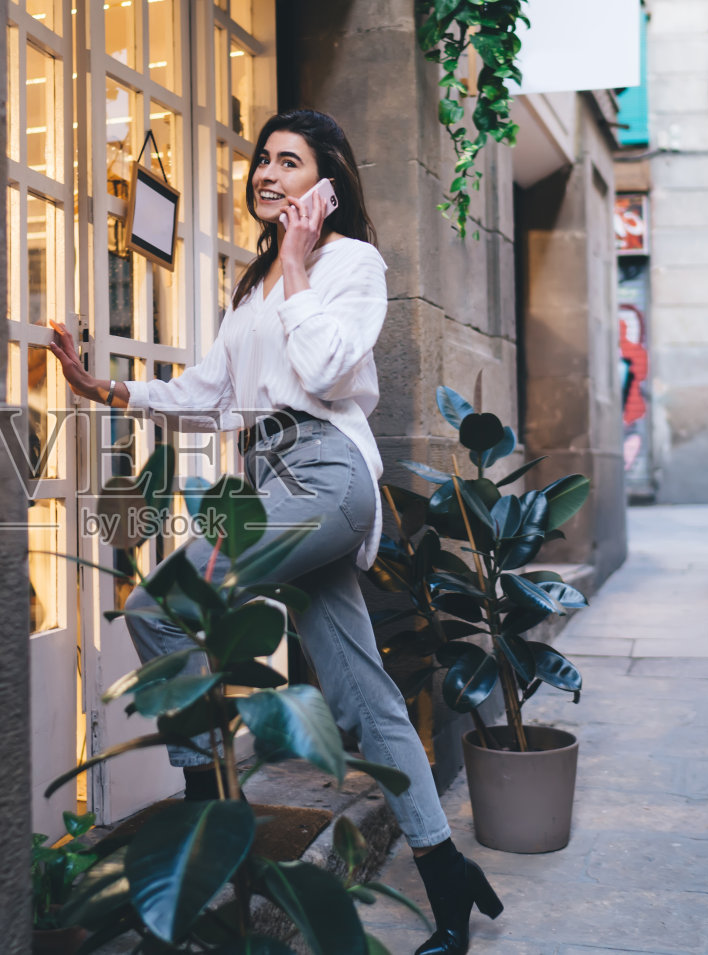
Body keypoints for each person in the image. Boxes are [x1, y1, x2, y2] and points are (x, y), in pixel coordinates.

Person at [47, 109, 501, 955]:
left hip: (326, 472)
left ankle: (205, 838)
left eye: (288, 161)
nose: (266, 171)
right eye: (262, 159)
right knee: (367, 700)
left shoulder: (350, 264)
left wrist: (297, 262)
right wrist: (105, 389)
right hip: (270, 479)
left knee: (162, 605)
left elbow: (327, 367)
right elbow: (211, 393)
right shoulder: (254, 285)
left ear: (326, 181)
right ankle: (449, 876)